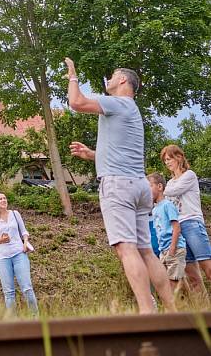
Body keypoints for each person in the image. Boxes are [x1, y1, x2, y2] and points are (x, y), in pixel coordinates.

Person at [66, 58, 175, 314]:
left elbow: (76, 102)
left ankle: (147, 312)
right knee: (145, 251)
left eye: (113, 75)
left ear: (123, 80)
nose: (109, 80)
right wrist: (92, 154)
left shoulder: (117, 103)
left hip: (118, 186)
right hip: (138, 185)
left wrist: (73, 76)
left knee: (126, 249)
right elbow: (121, 153)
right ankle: (172, 309)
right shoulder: (132, 111)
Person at [161, 144, 211, 294]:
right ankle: (203, 311)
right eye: (165, 161)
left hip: (192, 223)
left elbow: (175, 191)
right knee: (192, 274)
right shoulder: (169, 183)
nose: (167, 162)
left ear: (179, 157)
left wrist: (160, 189)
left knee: (207, 267)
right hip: (179, 229)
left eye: (169, 159)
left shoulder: (189, 175)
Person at [0, 191, 37, 313]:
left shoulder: (15, 214)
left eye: (5, 198)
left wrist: (25, 243)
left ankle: (35, 318)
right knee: (9, 292)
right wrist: (1, 240)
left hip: (19, 253)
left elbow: (24, 231)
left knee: (27, 288)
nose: (4, 200)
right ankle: (13, 322)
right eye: (0, 199)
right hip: (2, 258)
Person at [147, 172, 186, 291]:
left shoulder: (167, 205)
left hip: (174, 248)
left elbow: (176, 227)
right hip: (163, 251)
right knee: (166, 284)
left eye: (149, 186)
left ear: (159, 187)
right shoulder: (154, 210)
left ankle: (175, 308)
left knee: (173, 286)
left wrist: (172, 249)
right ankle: (190, 304)